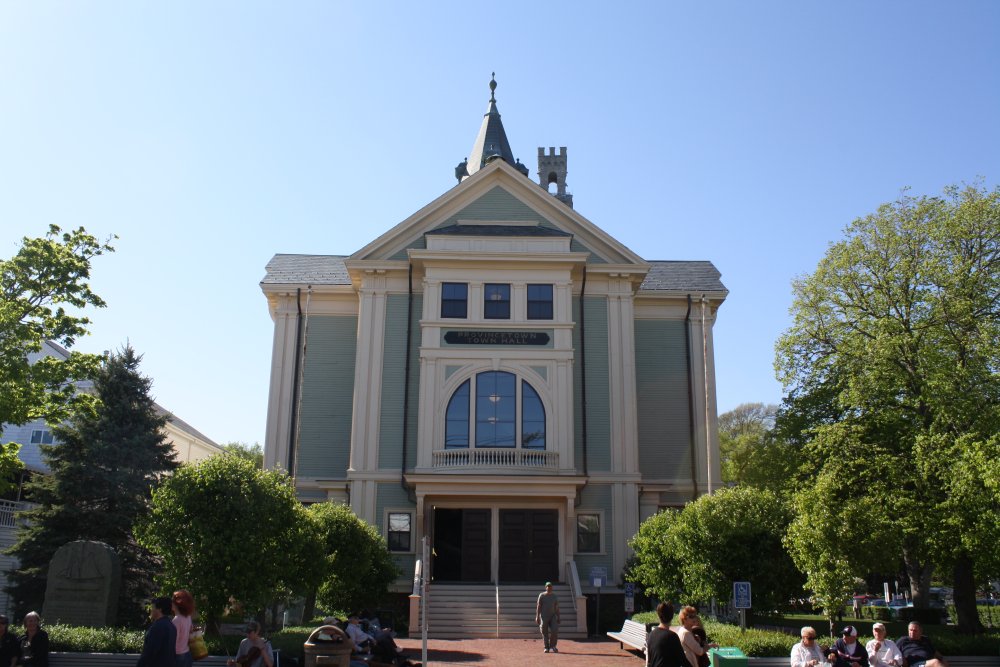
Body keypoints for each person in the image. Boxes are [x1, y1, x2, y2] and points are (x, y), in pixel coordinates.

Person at [645, 601, 690, 667]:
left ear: (658, 615)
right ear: (672, 616)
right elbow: (683, 661)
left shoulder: (651, 635)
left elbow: (649, 661)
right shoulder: (672, 636)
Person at [137, 598, 176, 667]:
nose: (151, 610)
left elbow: (150, 652)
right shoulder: (171, 626)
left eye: (153, 607)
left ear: (159, 609)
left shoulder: (157, 627)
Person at [535, 581, 560, 654]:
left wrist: (558, 617)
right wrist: (537, 616)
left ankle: (553, 646)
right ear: (545, 587)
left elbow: (557, 607)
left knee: (554, 630)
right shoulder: (542, 595)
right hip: (543, 616)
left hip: (552, 616)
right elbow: (539, 606)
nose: (549, 588)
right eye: (547, 586)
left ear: (552, 587)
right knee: (544, 632)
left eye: (550, 586)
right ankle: (546, 647)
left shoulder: (554, 596)